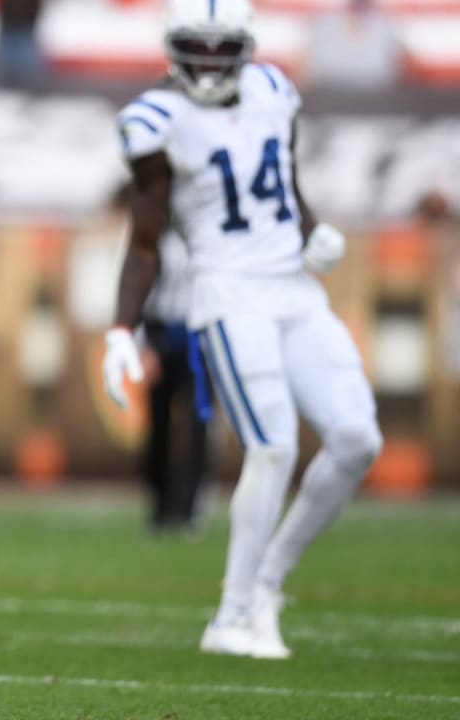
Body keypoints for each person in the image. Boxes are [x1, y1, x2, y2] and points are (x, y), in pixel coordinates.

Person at [100, 0, 382, 659]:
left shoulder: (274, 91)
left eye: (222, 47)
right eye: (196, 47)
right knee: (275, 445)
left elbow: (284, 184)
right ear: (172, 47)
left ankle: (268, 585)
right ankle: (231, 617)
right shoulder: (155, 121)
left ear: (246, 48)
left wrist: (312, 232)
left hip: (295, 289)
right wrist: (121, 329)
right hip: (227, 294)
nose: (208, 62)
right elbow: (144, 241)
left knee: (356, 439)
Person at [139, 228, 212, 537]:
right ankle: (160, 505)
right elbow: (139, 288)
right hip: (162, 335)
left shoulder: (209, 237)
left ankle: (191, 507)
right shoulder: (156, 237)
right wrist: (143, 343)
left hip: (199, 338)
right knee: (158, 427)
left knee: (198, 426)